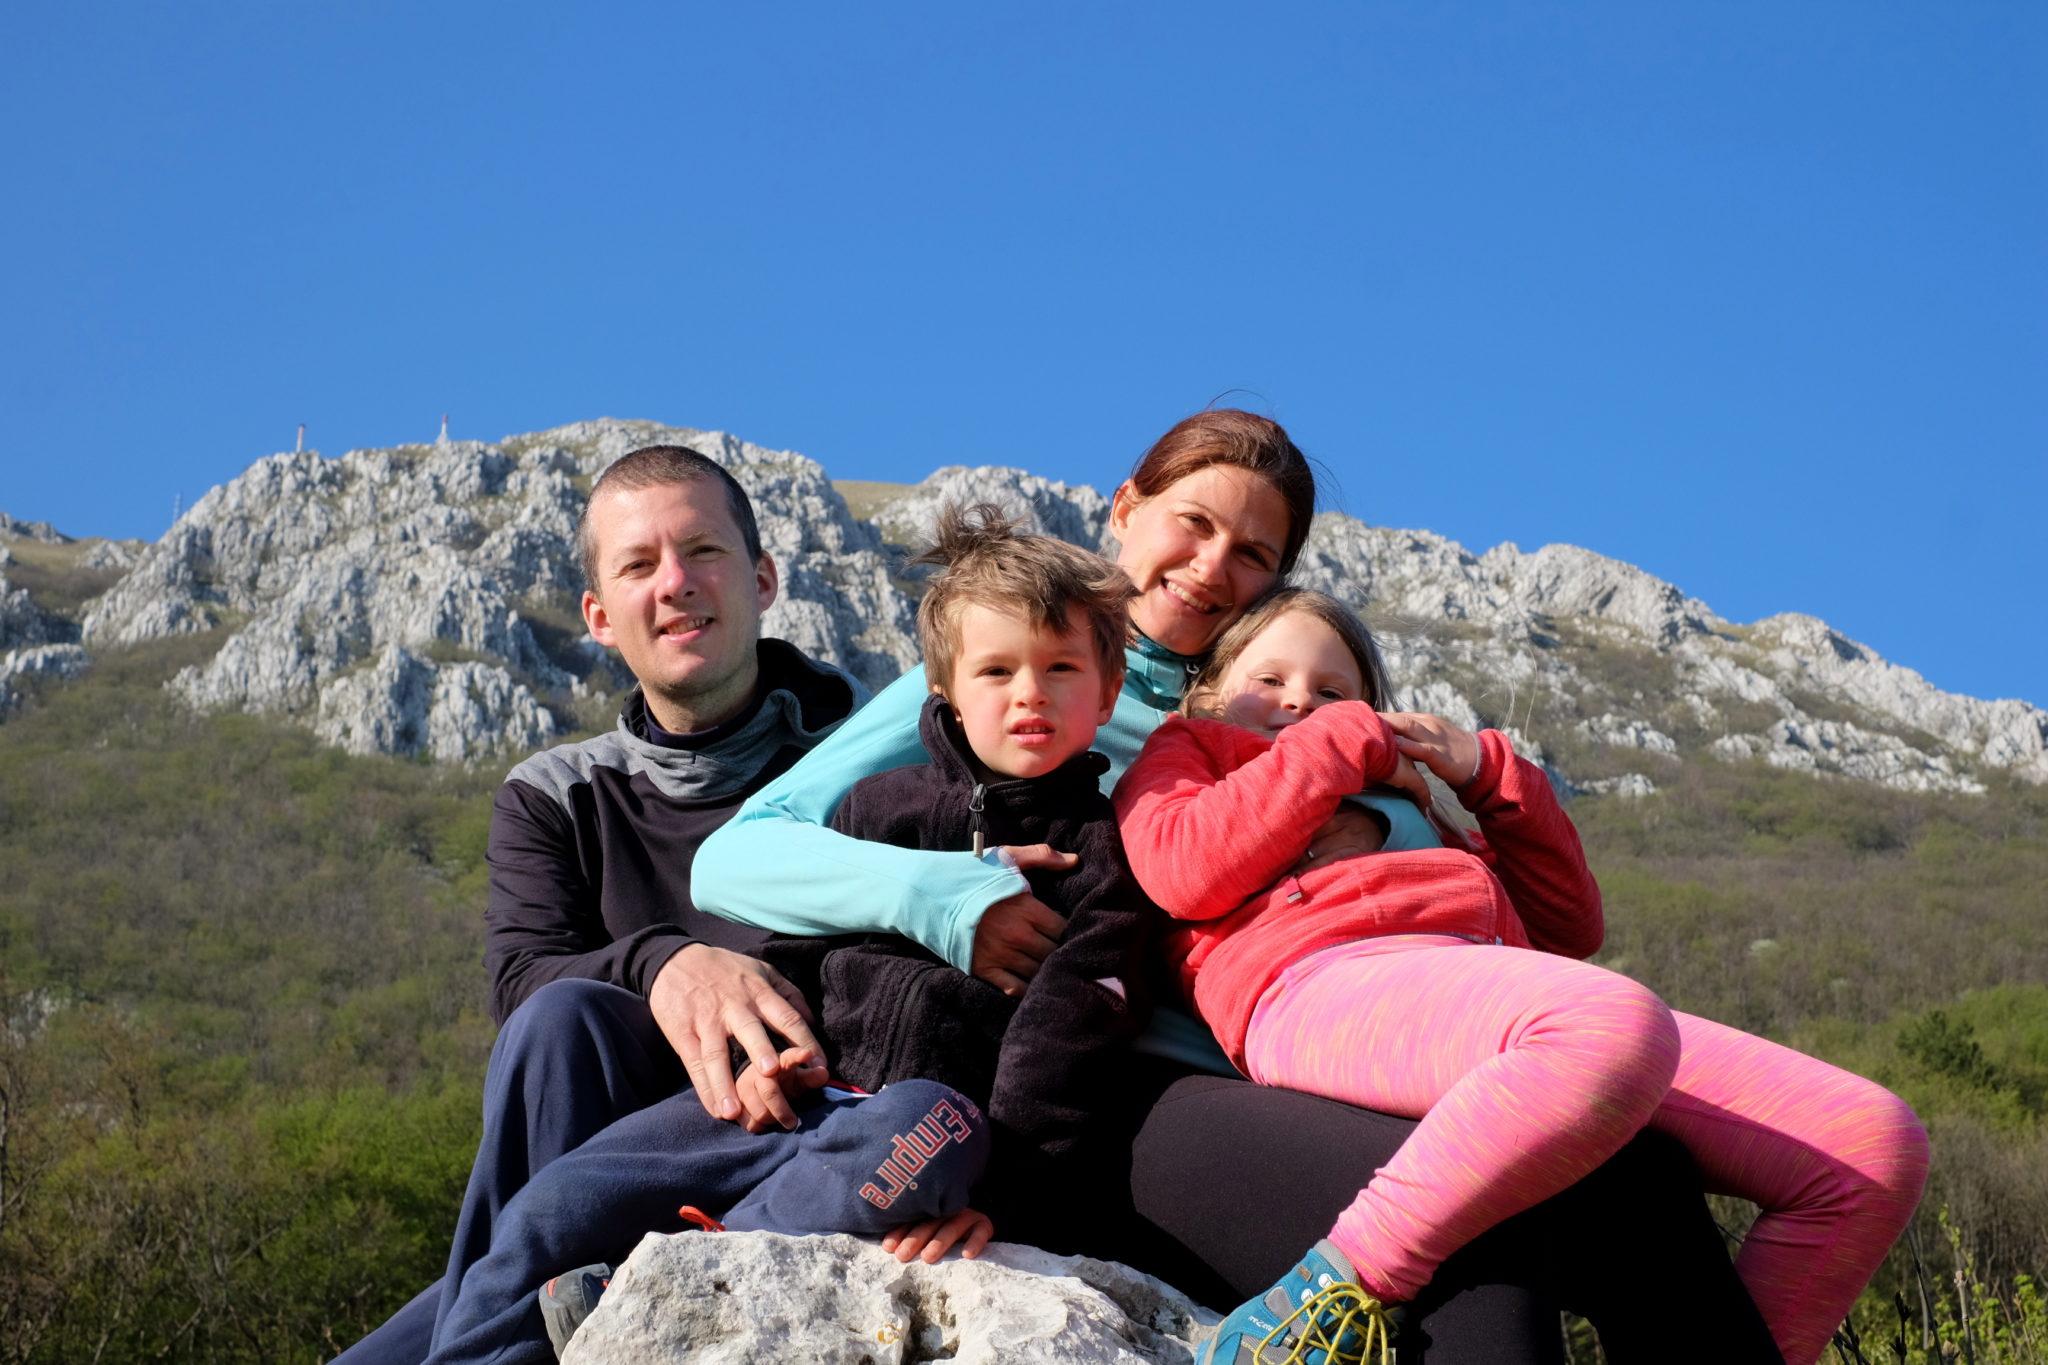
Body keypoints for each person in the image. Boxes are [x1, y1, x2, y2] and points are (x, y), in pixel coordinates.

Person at [692, 409, 1791, 1362]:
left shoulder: (1261, 715)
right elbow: (738, 855)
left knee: (1640, 1182)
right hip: (1101, 1096)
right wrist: (944, 893)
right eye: (1194, 523)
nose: (1214, 566)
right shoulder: (1019, 667)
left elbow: (1549, 922)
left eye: (1255, 554)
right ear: (1124, 507)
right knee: (1475, 1226)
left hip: (1304, 1073)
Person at [1113, 587, 1931, 1365]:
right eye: (1269, 679)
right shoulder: (1190, 749)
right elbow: (1183, 872)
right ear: (1210, 692)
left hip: (1474, 986)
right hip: (1311, 983)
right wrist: (1338, 740)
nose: (1301, 702)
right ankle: (1327, 1292)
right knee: (1612, 1024)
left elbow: (1571, 927)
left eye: (1336, 691)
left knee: (1869, 1146)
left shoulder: (1415, 806)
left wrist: (1486, 774)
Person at [333, 445, 872, 1362]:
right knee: (560, 1016)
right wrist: (665, 962)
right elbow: (522, 979)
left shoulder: (867, 756)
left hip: (796, 1134)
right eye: (638, 565)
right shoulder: (555, 791)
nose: (674, 584)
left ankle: (504, 1329)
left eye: (703, 550)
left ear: (765, 577)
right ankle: (532, 1313)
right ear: (598, 616)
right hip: (596, 1161)